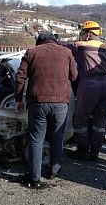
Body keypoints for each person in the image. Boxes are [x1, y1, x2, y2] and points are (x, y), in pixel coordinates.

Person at [14, 31, 77, 188]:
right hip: (61, 102)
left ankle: (35, 178)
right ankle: (54, 170)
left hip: (38, 102)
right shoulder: (67, 52)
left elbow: (20, 77)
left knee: (36, 139)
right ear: (55, 40)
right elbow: (74, 76)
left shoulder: (32, 52)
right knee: (57, 137)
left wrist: (18, 99)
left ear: (39, 41)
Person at [67, 21, 106, 161]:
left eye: (82, 32)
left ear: (89, 33)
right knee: (100, 119)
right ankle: (95, 152)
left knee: (80, 117)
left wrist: (75, 44)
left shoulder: (81, 47)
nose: (80, 35)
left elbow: (62, 49)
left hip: (89, 84)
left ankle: (82, 149)